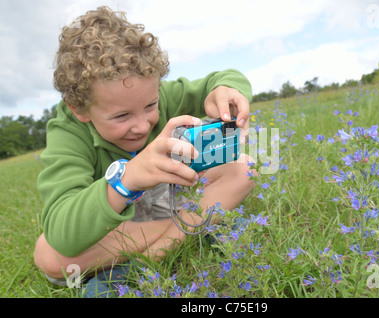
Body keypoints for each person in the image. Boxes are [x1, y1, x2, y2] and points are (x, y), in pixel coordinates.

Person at [33, 6, 255, 296]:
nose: (142, 124)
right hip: (116, 223)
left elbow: (223, 77)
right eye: (121, 116)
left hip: (169, 200)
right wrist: (127, 179)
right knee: (49, 255)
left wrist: (226, 89)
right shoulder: (68, 131)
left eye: (150, 106)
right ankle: (197, 228)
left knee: (246, 167)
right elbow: (63, 231)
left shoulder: (160, 95)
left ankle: (140, 266)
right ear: (80, 109)